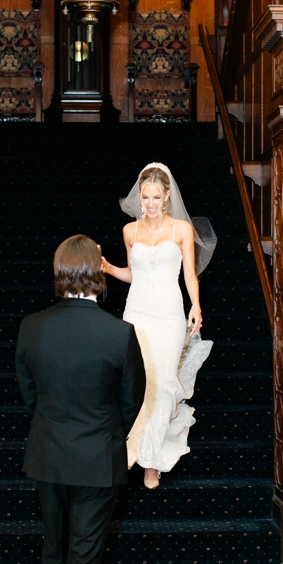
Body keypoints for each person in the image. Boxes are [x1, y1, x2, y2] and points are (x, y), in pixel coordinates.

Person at [16, 235, 147, 564]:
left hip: (47, 455)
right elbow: (132, 402)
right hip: (97, 459)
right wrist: (104, 436)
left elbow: (28, 395)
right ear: (98, 273)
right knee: (83, 557)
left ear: (60, 272)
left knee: (54, 551)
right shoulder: (119, 333)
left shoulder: (32, 326)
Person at [102, 162, 215, 490]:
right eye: (145, 197)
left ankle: (152, 462)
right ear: (140, 197)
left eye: (156, 197)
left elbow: (189, 274)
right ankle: (135, 445)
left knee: (163, 383)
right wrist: (109, 268)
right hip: (137, 314)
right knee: (138, 382)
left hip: (168, 314)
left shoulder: (181, 229)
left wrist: (195, 304)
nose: (150, 204)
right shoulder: (130, 231)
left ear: (166, 197)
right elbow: (133, 274)